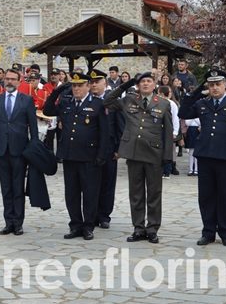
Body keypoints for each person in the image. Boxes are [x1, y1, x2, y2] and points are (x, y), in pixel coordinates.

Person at [178, 69, 226, 247]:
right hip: (206, 155)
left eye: (218, 84)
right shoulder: (202, 103)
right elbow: (184, 112)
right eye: (211, 85)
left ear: (225, 85)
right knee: (206, 196)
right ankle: (208, 231)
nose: (215, 88)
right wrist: (196, 91)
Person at [105, 72, 172, 243]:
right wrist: (125, 85)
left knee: (154, 193)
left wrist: (167, 158)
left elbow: (168, 133)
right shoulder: (129, 100)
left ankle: (152, 228)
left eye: (149, 81)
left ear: (154, 84)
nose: (145, 84)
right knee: (136, 193)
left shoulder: (163, 104)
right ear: (138, 85)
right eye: (142, 82)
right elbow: (108, 101)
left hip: (153, 154)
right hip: (133, 153)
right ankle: (138, 228)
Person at [43, 72, 109, 240]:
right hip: (70, 155)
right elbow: (48, 110)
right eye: (74, 85)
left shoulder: (97, 104)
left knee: (90, 193)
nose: (76, 88)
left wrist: (102, 154)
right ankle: (75, 224)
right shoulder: (66, 103)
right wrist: (57, 92)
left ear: (88, 86)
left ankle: (88, 226)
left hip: (89, 156)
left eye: (80, 85)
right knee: (71, 193)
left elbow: (104, 132)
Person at [0, 68, 38, 236]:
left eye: (12, 79)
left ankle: (18, 222)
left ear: (18, 81)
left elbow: (33, 127)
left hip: (20, 150)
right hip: (2, 149)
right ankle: (8, 222)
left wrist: (33, 149)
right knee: (6, 188)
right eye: (7, 79)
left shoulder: (27, 100)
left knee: (18, 188)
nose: (9, 81)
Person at [88, 69, 123, 230]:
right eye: (92, 82)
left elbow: (120, 127)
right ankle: (91, 214)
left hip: (109, 149)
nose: (94, 84)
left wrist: (118, 149)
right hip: (89, 150)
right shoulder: (85, 101)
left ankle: (104, 215)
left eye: (97, 81)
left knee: (107, 184)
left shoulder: (112, 103)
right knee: (90, 185)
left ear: (105, 83)